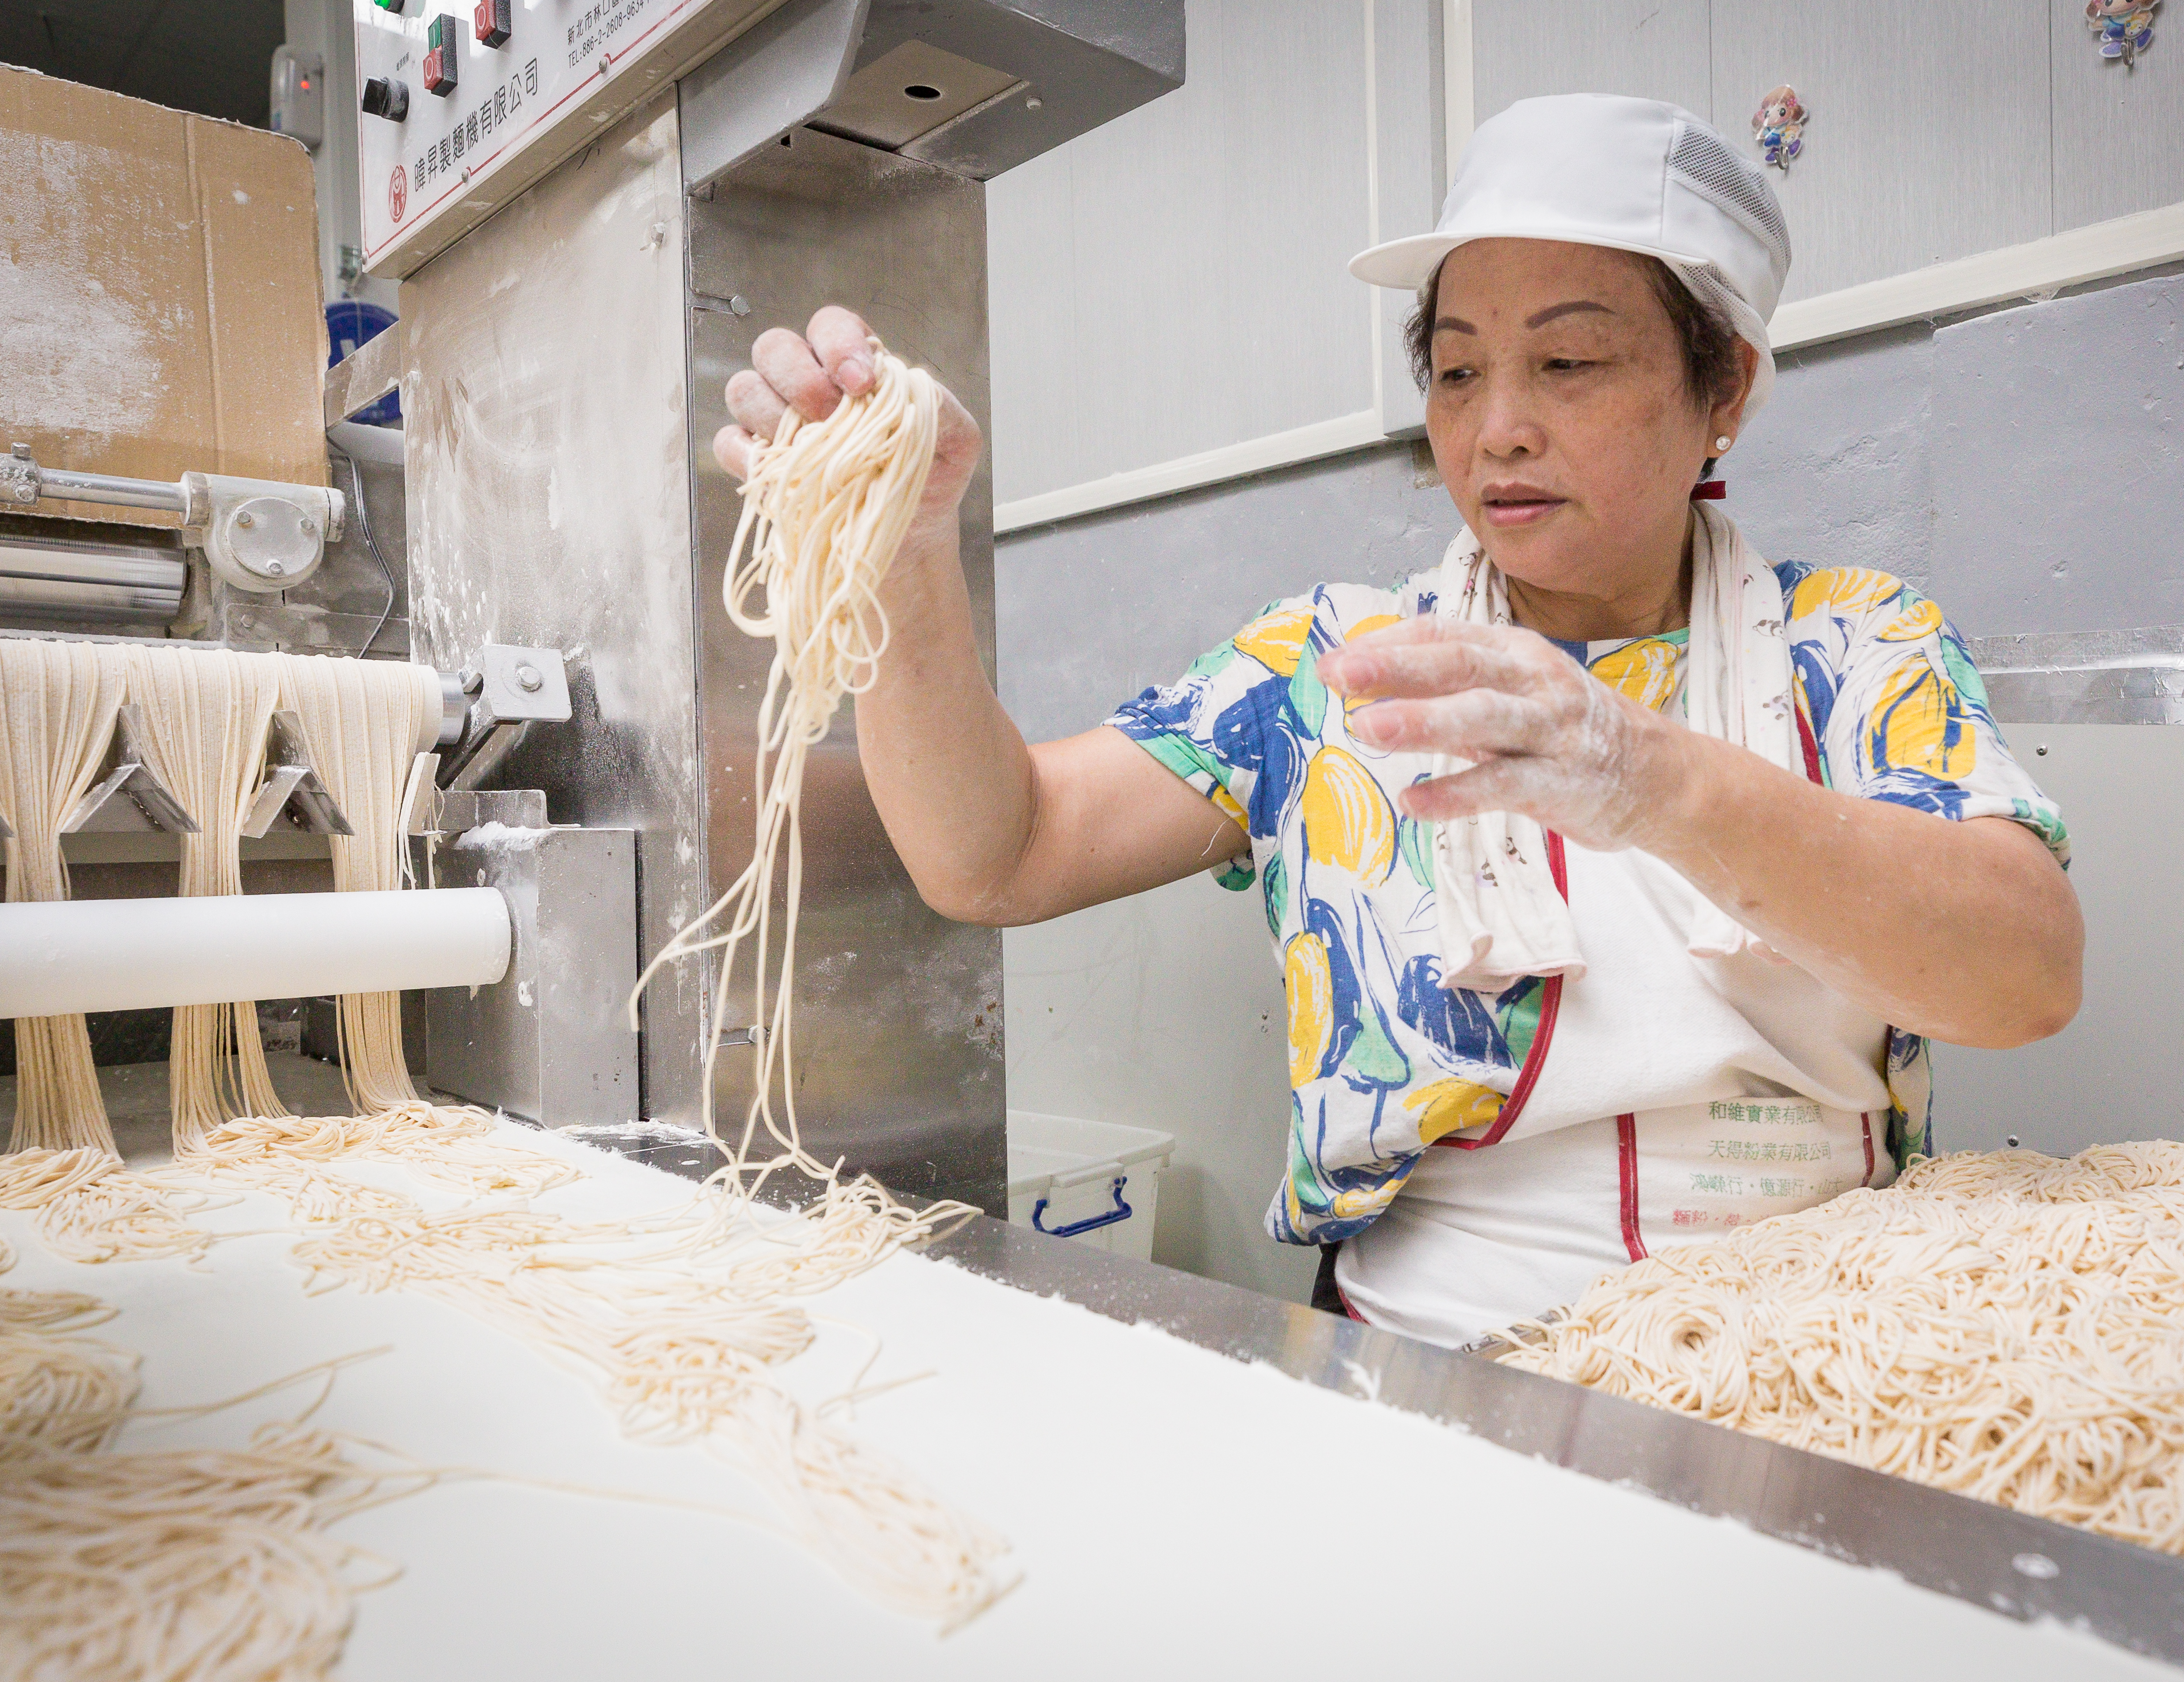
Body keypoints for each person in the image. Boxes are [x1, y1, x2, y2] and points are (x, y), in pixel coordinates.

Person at [713, 95, 2083, 1347]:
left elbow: (2022, 977)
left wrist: (1650, 777)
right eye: (1456, 370)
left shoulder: (1855, 648)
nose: (1497, 432)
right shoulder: (1339, 666)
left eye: (1569, 364)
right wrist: (901, 546)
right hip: (1435, 1359)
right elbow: (993, 853)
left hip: (1810, 1352)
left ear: (1721, 388)